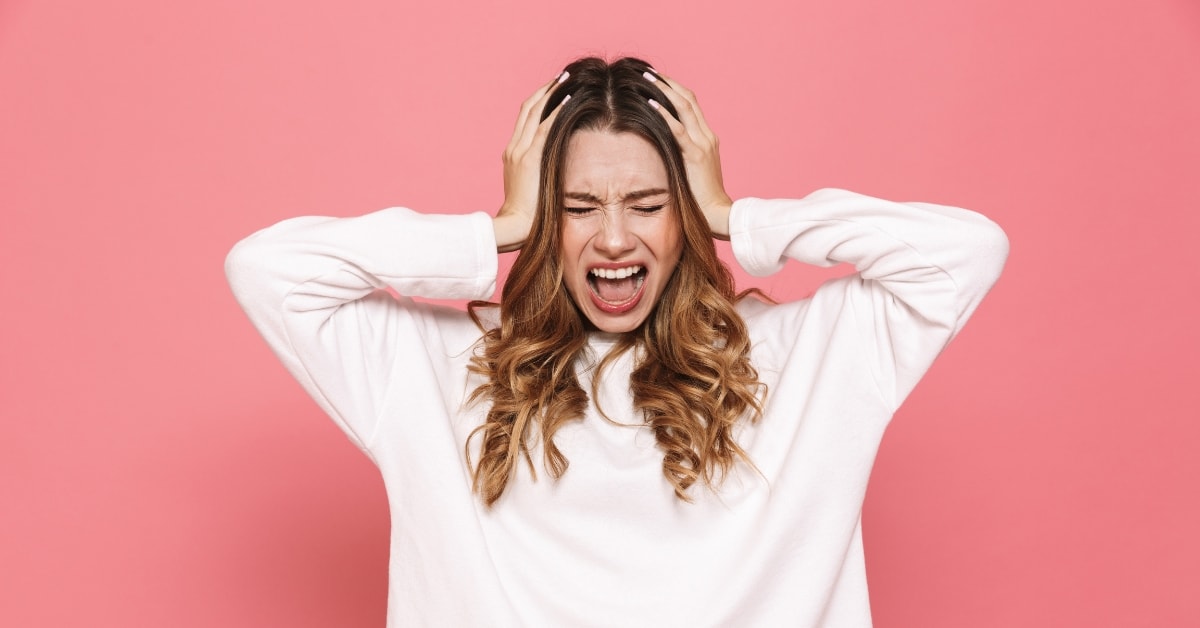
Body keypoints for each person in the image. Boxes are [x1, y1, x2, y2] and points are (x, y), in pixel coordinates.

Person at [226, 57, 1008, 627]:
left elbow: (966, 252)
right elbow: (266, 270)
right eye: (574, 208)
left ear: (685, 218)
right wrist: (495, 230)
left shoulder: (804, 356)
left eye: (646, 204)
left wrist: (738, 213)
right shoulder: (441, 365)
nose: (611, 238)